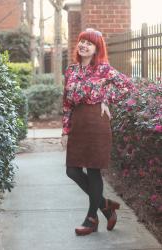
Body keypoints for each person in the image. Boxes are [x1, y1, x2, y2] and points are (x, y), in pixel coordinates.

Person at [61, 28, 135, 236]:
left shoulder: (104, 69)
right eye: (82, 41)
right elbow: (66, 103)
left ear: (96, 49)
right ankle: (105, 205)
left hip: (96, 122)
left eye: (89, 43)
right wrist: (65, 130)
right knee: (72, 171)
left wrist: (106, 99)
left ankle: (91, 219)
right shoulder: (71, 70)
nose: (84, 45)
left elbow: (128, 86)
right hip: (78, 123)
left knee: (93, 170)